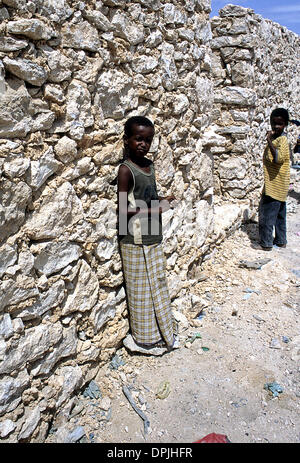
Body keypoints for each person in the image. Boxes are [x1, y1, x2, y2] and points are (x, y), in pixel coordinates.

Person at [117, 115, 177, 354]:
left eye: (148, 140)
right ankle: (145, 338)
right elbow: (123, 210)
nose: (143, 144)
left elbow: (147, 198)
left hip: (152, 234)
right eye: (138, 139)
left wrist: (163, 201)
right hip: (133, 239)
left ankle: (163, 330)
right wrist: (155, 209)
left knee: (157, 286)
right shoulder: (126, 170)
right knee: (141, 291)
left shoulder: (149, 166)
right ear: (127, 140)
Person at [258, 108, 290, 250]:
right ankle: (281, 241)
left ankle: (266, 244)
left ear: (285, 125)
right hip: (279, 186)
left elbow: (278, 158)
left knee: (267, 216)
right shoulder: (279, 139)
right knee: (279, 216)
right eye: (274, 123)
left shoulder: (281, 140)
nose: (276, 127)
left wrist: (269, 141)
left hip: (275, 186)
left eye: (280, 124)